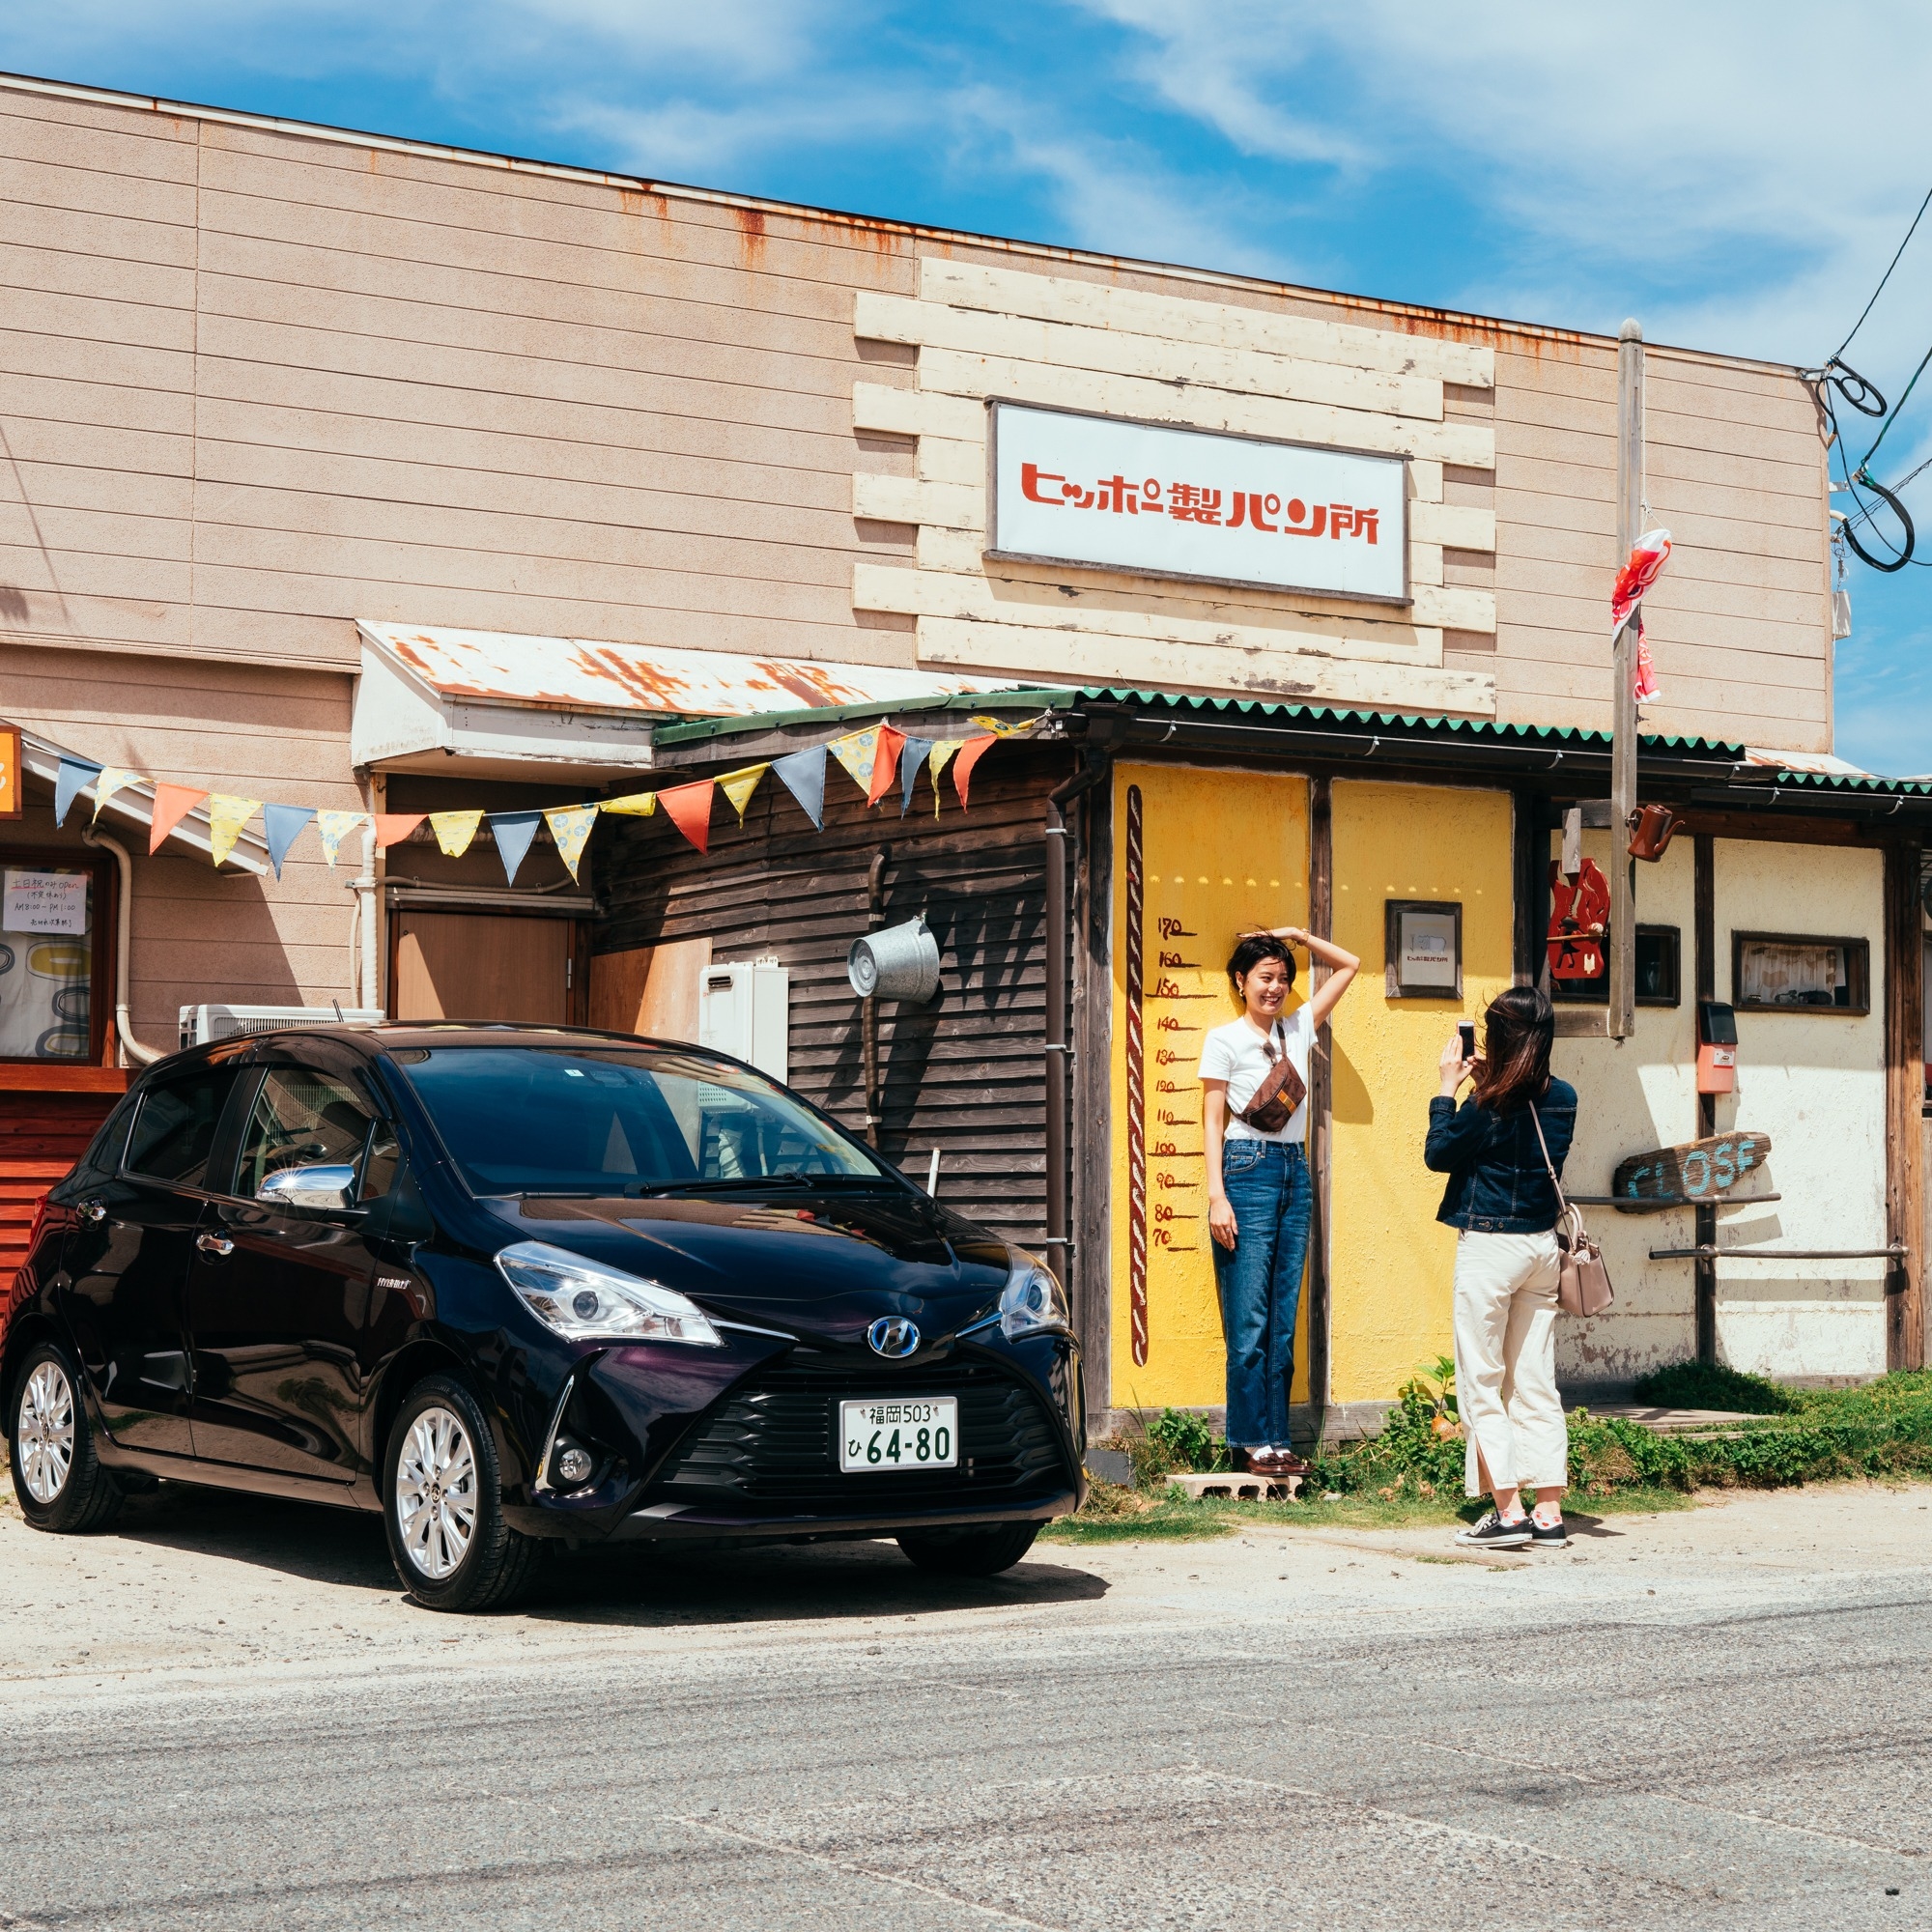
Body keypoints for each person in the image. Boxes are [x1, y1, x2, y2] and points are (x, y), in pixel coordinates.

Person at [1200, 925, 1359, 1475]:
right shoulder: (1223, 1040)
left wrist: (1297, 936)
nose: (1275, 988)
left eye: (1283, 980)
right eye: (1265, 978)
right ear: (1240, 981)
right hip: (1245, 1171)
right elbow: (1212, 1120)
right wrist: (1217, 1196)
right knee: (1249, 1315)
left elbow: (1350, 965)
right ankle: (1248, 1440)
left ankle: (1277, 1437)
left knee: (1282, 1320)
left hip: (1295, 1173)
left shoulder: (1297, 1027)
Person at [1424, 985, 1577, 1548]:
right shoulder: (1564, 1097)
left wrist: (1448, 1087)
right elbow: (1525, 1119)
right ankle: (1547, 1515)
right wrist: (1495, 1075)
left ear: (1497, 1039)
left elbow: (1439, 1154)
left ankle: (1507, 1512)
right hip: (1541, 1250)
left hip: (1491, 1249)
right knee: (1536, 1383)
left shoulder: (1487, 1105)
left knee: (1482, 1383)